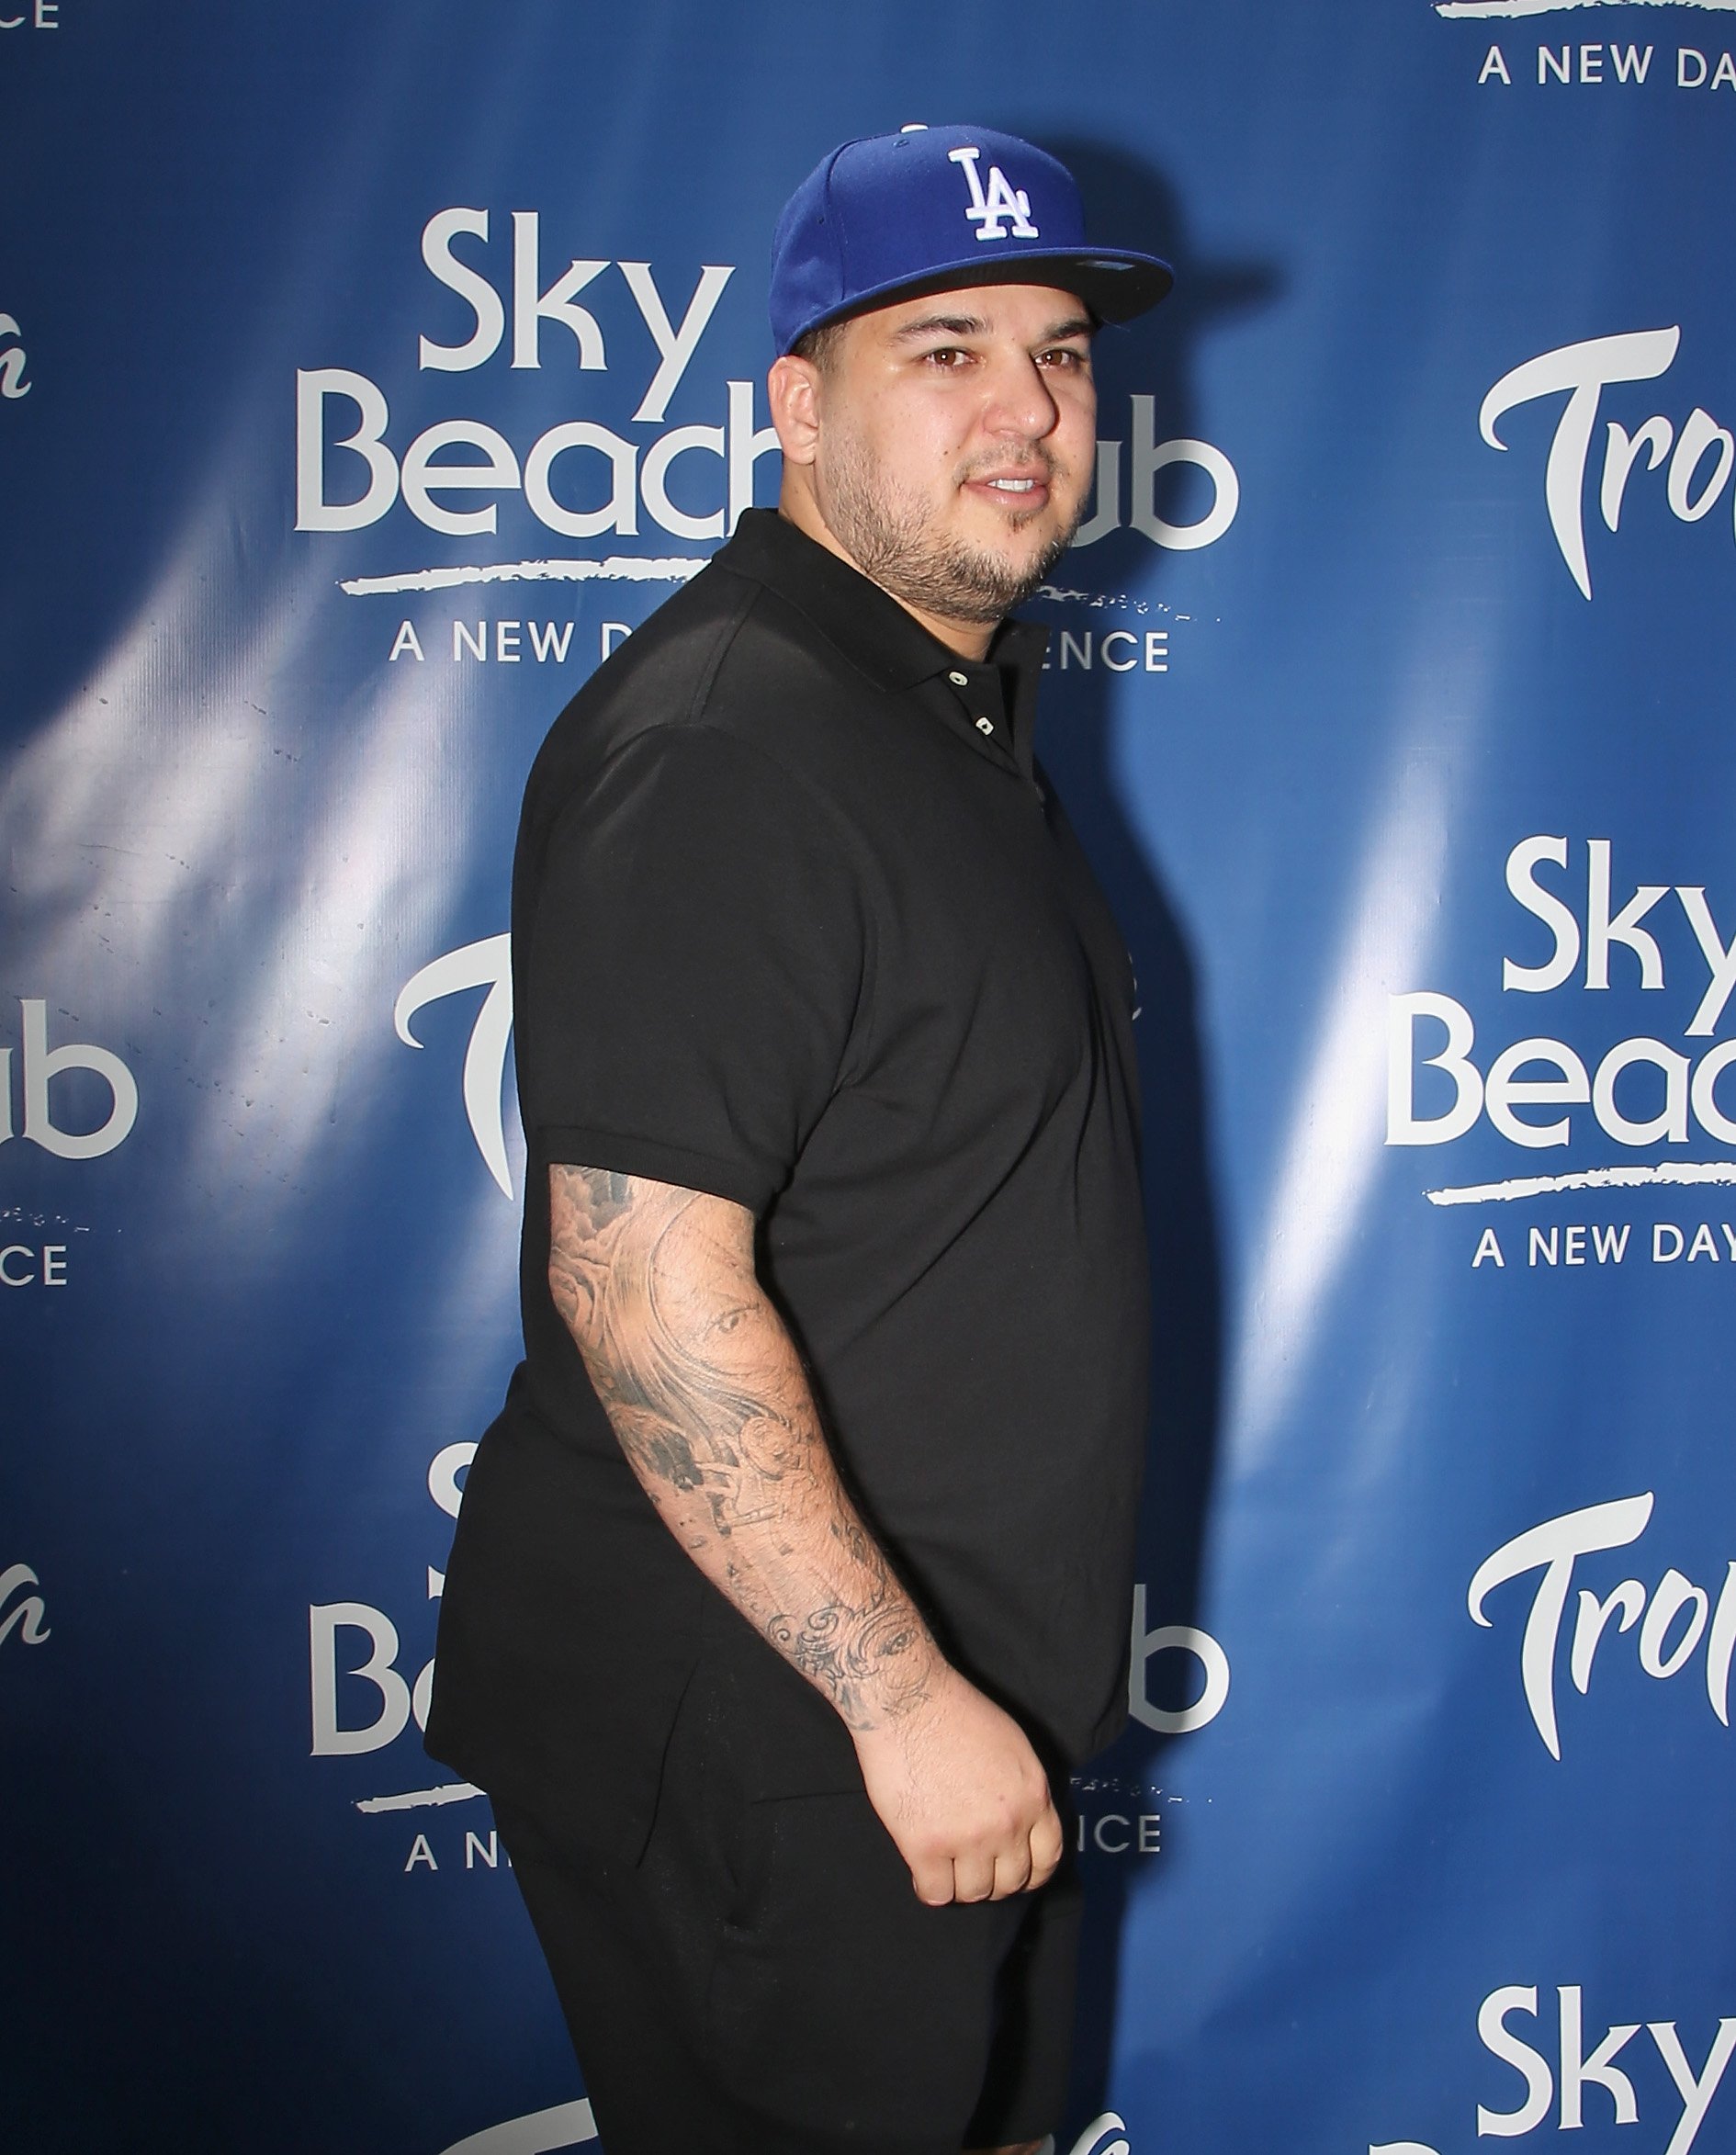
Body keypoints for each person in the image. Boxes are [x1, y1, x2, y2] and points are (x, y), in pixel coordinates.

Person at [425, 122, 1173, 2155]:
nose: (1028, 409)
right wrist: (900, 1704)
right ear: (794, 403)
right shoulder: (732, 741)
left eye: (1062, 351)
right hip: (793, 1721)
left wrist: (961, 1707)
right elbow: (639, 1282)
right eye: (944, 349)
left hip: (941, 1710)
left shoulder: (930, 710)